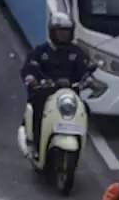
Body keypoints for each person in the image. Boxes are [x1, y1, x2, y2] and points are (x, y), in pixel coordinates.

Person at [20, 12, 93, 155]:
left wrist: (88, 80)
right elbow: (30, 67)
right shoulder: (41, 52)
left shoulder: (76, 52)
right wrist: (31, 78)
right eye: (60, 32)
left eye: (66, 32)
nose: (64, 35)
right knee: (38, 109)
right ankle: (35, 144)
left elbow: (84, 70)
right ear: (53, 32)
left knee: (84, 110)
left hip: (69, 96)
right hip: (46, 94)